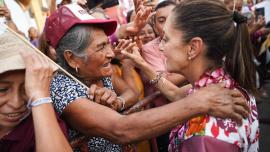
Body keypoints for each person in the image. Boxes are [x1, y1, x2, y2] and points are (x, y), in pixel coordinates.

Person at [45, 4, 250, 152]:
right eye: (101, 47)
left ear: (194, 47)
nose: (111, 52)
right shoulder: (62, 87)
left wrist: (117, 102)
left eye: (166, 39)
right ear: (72, 59)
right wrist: (198, 102)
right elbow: (120, 128)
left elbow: (133, 93)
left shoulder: (207, 129)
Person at [121, 0, 259, 151]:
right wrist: (141, 62)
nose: (160, 48)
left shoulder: (203, 137)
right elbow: (177, 94)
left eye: (166, 39)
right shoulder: (220, 83)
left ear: (193, 48)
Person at [0, 25, 71, 152]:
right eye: (2, 90)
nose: (16, 104)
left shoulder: (42, 123)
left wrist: (40, 97)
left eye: (27, 88)